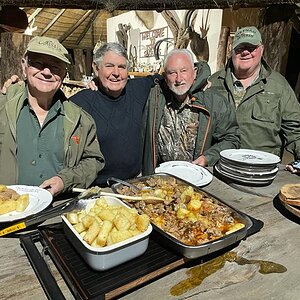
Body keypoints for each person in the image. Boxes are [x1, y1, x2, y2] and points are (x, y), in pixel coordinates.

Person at [0, 36, 105, 196]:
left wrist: (65, 180)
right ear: (24, 66)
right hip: (7, 214)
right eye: (38, 63)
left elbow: (93, 161)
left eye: (55, 67)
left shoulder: (80, 120)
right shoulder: (3, 108)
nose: (47, 72)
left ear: (64, 74)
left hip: (56, 213)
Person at [209, 26, 300, 174]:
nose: (245, 52)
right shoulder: (213, 83)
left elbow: (296, 132)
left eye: (251, 47)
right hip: (217, 171)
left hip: (261, 175)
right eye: (240, 48)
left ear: (262, 49)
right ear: (231, 50)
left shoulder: (279, 86)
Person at [71, 42, 160, 186]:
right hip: (98, 188)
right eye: (109, 66)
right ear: (96, 67)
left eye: (122, 67)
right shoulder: (81, 102)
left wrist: (203, 82)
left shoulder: (137, 89)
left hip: (136, 183)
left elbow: (167, 77)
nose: (116, 73)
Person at [142, 48, 240, 175]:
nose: (179, 79)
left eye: (184, 71)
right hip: (161, 177)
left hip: (197, 179)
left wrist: (208, 158)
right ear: (165, 77)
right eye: (172, 72)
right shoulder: (154, 97)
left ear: (194, 72)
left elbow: (231, 138)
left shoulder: (214, 101)